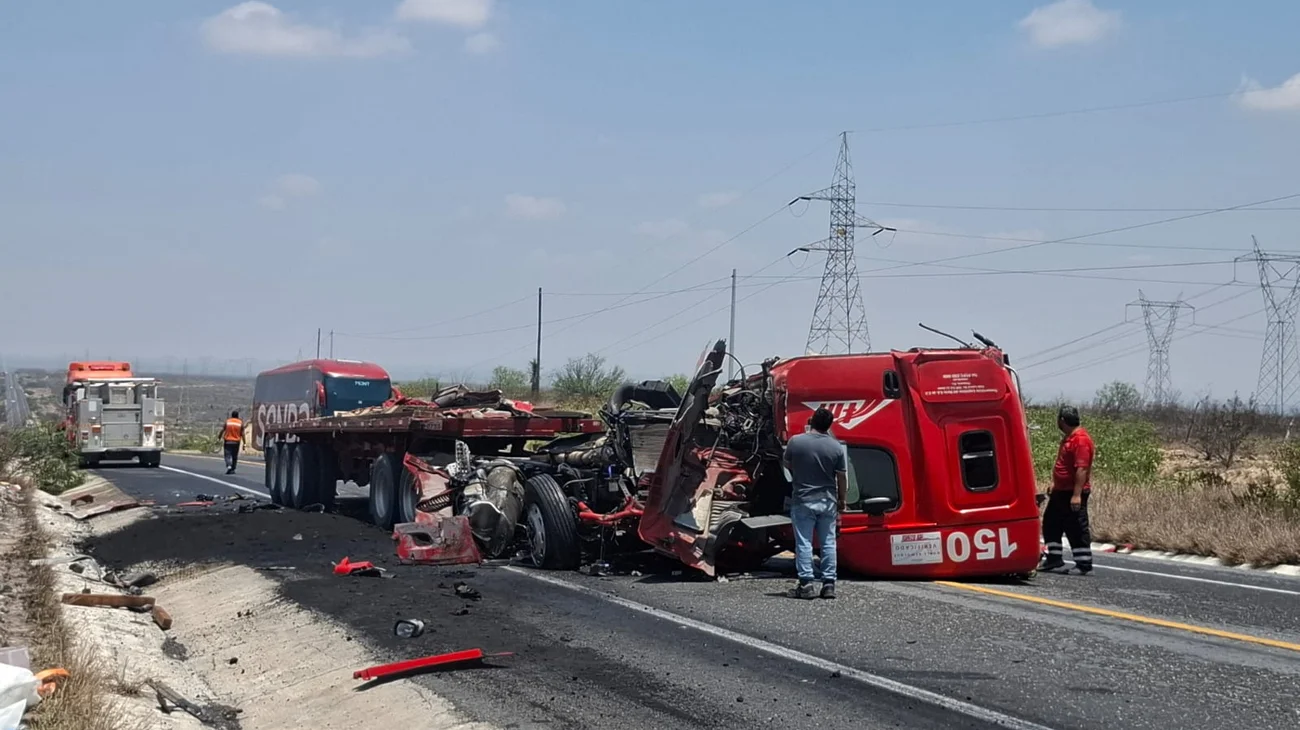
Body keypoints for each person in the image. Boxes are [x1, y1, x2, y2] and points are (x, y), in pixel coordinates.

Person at [782, 406, 848, 599]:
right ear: (829, 425)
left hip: (803, 499)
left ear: (811, 420)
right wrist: (842, 500)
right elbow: (841, 477)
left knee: (804, 543)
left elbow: (787, 464)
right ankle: (828, 585)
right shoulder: (836, 447)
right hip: (828, 500)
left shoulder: (796, 442)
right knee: (828, 542)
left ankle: (806, 584)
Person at [1041, 405, 1094, 574]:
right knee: (1051, 523)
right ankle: (1054, 558)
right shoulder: (1068, 438)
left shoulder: (1081, 440)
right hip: (1060, 491)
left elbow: (1082, 469)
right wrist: (1055, 484)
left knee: (1076, 527)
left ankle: (1084, 564)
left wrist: (1077, 495)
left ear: (1062, 420)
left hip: (1072, 492)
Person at [221, 410, 243, 475]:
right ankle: (233, 468)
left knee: (227, 455)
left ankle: (229, 465)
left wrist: (219, 437)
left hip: (228, 441)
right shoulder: (240, 423)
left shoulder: (228, 421)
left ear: (232, 415)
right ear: (238, 416)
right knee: (234, 456)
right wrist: (244, 443)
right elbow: (242, 433)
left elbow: (223, 430)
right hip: (236, 442)